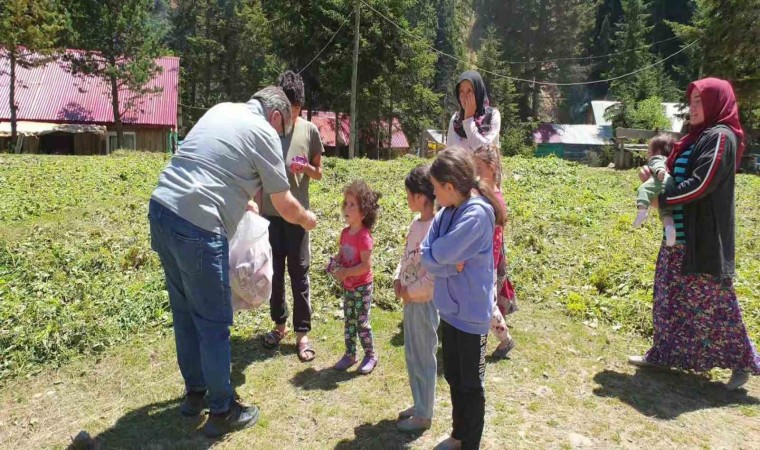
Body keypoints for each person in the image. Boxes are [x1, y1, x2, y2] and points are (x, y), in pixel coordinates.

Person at [148, 86, 317, 438]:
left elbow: (216, 167)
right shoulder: (264, 131)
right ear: (276, 117)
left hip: (162, 210)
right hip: (197, 224)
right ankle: (223, 409)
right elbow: (284, 202)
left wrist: (243, 203)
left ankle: (194, 395)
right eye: (283, 129)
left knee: (184, 313)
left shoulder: (221, 108)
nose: (281, 136)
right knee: (212, 320)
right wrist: (306, 219)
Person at [628, 78, 760, 390]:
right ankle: (664, 354)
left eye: (701, 100)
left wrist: (664, 198)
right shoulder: (694, 137)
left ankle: (742, 362)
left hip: (703, 239)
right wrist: (653, 177)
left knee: (716, 305)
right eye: (693, 100)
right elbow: (673, 175)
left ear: (718, 103)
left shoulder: (721, 138)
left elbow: (703, 183)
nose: (694, 107)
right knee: (669, 299)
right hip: (679, 237)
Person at [421, 147, 505, 450]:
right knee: (455, 378)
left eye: (434, 187)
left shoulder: (477, 213)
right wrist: (439, 260)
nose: (432, 193)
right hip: (449, 310)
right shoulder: (446, 212)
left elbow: (439, 252)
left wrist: (437, 258)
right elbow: (427, 253)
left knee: (471, 385)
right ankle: (459, 435)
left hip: (470, 315)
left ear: (450, 187)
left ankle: (470, 443)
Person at [260, 71, 324, 362]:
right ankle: (279, 326)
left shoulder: (310, 130)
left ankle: (303, 333)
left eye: (297, 108)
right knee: (274, 273)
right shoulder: (268, 127)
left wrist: (306, 169)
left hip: (297, 215)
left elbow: (319, 172)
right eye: (289, 106)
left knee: (299, 272)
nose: (293, 113)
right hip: (270, 214)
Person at [394, 165, 438, 432]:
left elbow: (432, 276)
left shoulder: (435, 228)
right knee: (412, 356)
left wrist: (412, 292)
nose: (407, 199)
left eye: (409, 194)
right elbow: (406, 257)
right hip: (410, 301)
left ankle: (425, 414)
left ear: (421, 196)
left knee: (424, 357)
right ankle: (419, 403)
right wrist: (399, 279)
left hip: (423, 303)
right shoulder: (415, 224)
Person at [329, 180, 382, 374]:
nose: (346, 207)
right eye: (346, 203)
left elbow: (365, 265)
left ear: (364, 212)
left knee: (361, 321)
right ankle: (350, 354)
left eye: (352, 204)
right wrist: (335, 263)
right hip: (348, 286)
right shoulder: (344, 233)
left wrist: (346, 273)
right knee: (349, 320)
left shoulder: (364, 237)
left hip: (362, 287)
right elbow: (342, 254)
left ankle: (371, 355)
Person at [472, 145, 517, 360]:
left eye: (479, 167)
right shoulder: (483, 192)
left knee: (486, 303)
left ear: (491, 167)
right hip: (481, 258)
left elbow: (497, 236)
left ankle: (505, 340)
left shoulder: (494, 197)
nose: (475, 172)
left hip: (487, 260)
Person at [633, 134, 677, 246]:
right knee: (666, 212)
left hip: (661, 179)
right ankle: (670, 229)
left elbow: (657, 165)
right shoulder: (672, 161)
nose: (648, 155)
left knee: (643, 189)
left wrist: (659, 171)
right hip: (671, 185)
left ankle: (642, 211)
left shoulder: (657, 158)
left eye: (648, 152)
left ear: (657, 151)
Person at [446, 70, 501, 151]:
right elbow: (449, 154)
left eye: (469, 91)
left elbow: (485, 151)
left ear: (478, 93)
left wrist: (468, 120)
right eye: (461, 91)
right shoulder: (456, 120)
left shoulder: (492, 115)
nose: (465, 97)